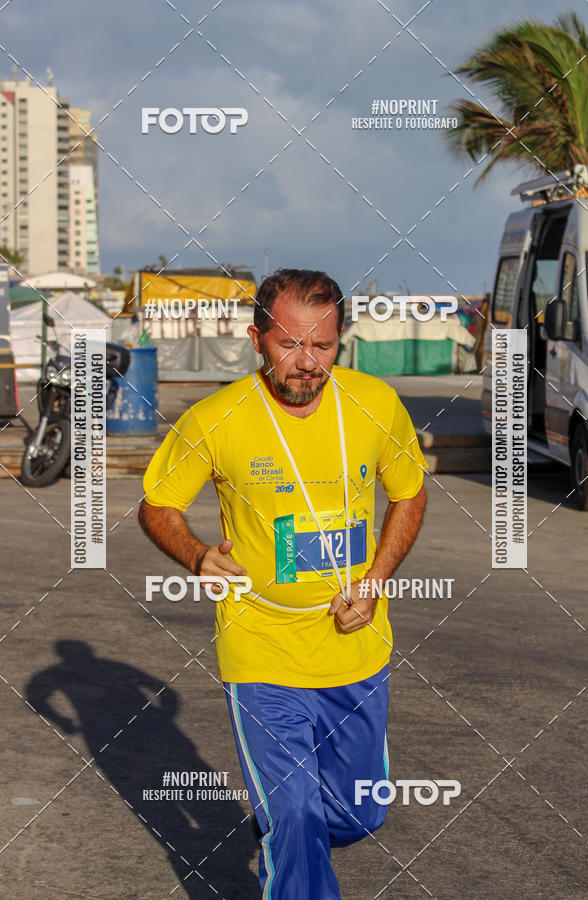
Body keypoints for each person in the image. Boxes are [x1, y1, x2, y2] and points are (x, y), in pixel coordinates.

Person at [139, 269, 427, 898]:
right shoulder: (217, 418)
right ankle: (286, 839)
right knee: (294, 817)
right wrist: (195, 555)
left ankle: (283, 832)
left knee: (357, 814)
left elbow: (408, 491)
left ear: (340, 339)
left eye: (322, 346)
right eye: (289, 344)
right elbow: (157, 504)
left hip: (356, 644)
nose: (306, 363)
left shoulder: (374, 404)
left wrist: (376, 580)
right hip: (260, 648)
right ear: (256, 338)